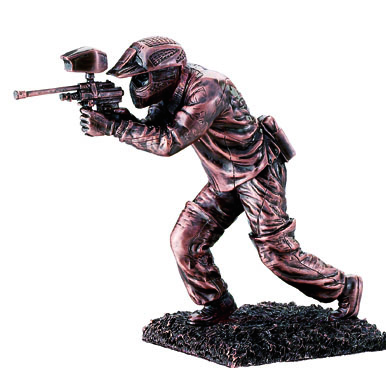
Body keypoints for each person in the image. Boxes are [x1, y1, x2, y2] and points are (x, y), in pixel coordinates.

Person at [80, 36, 362, 326]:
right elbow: (155, 128)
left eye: (142, 77)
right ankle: (217, 302)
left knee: (276, 253)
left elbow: (169, 142)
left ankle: (344, 287)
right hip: (223, 176)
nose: (137, 85)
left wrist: (114, 128)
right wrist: (119, 118)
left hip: (258, 171)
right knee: (185, 240)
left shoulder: (207, 87)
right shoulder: (171, 89)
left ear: (166, 71)